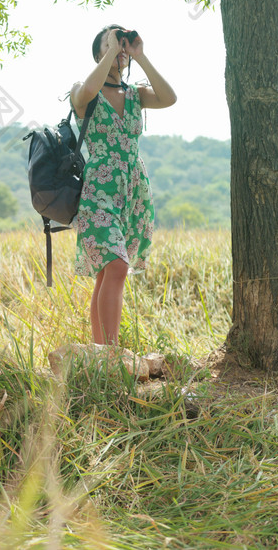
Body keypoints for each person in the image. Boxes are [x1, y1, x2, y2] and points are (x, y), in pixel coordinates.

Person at [70, 25, 176, 346]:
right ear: (99, 53)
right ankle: (113, 353)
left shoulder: (135, 95)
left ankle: (99, 350)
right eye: (112, 41)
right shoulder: (82, 89)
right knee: (116, 267)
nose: (120, 46)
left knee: (107, 273)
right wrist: (112, 53)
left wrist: (139, 57)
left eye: (122, 42)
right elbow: (88, 90)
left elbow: (169, 98)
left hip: (131, 193)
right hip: (98, 193)